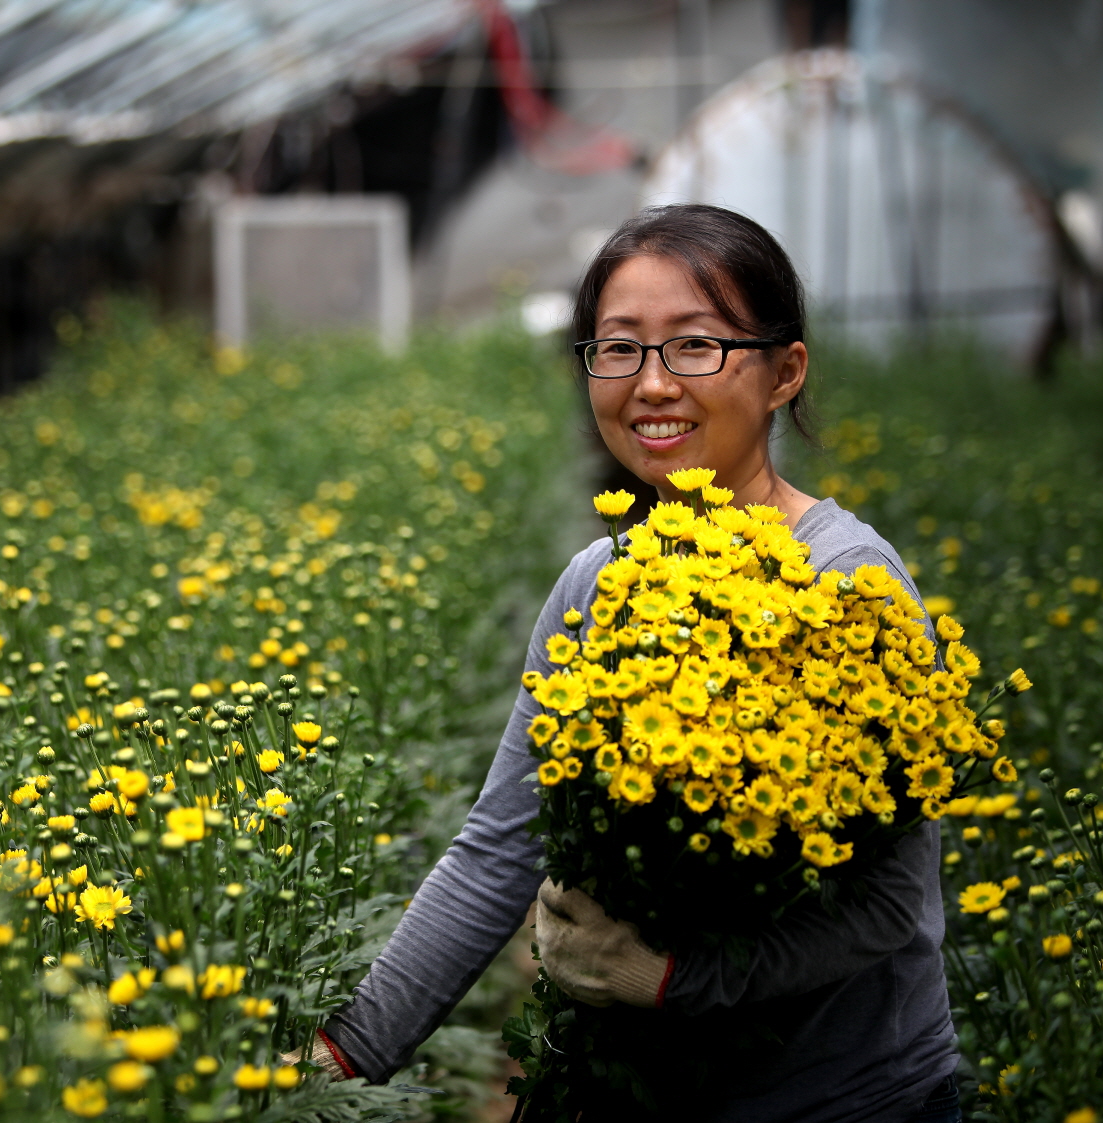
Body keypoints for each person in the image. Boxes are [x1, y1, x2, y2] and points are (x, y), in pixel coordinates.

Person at [309, 205, 961, 1123]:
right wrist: (344, 1052)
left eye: (695, 346)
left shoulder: (847, 583)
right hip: (635, 1092)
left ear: (785, 371)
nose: (652, 384)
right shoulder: (596, 583)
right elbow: (500, 845)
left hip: (847, 1103)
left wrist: (671, 979)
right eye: (618, 349)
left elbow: (888, 907)